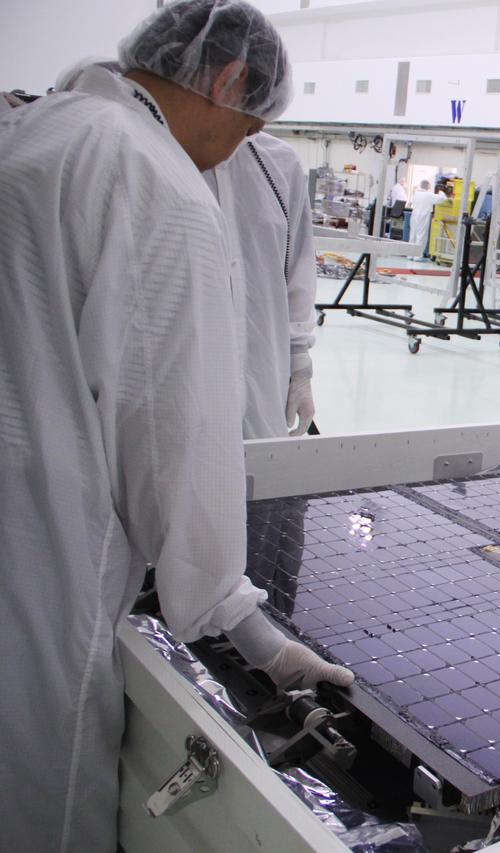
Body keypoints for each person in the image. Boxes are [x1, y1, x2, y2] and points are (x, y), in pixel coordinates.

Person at [0, 2, 352, 849]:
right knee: (44, 787)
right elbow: (177, 442)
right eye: (249, 123)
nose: (238, 150)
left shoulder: (34, 133)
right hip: (45, 556)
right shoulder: (154, 184)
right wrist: (251, 628)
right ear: (227, 82)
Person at [202, 132, 319, 438]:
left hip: (263, 375)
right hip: (187, 381)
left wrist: (300, 366)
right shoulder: (162, 156)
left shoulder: (277, 164)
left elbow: (297, 271)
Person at [409, 177, 447, 257]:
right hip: (423, 216)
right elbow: (442, 198)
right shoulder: (428, 195)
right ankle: (417, 256)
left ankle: (410, 255)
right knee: (421, 235)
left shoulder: (416, 193)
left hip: (414, 215)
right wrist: (442, 192)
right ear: (428, 186)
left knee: (413, 234)